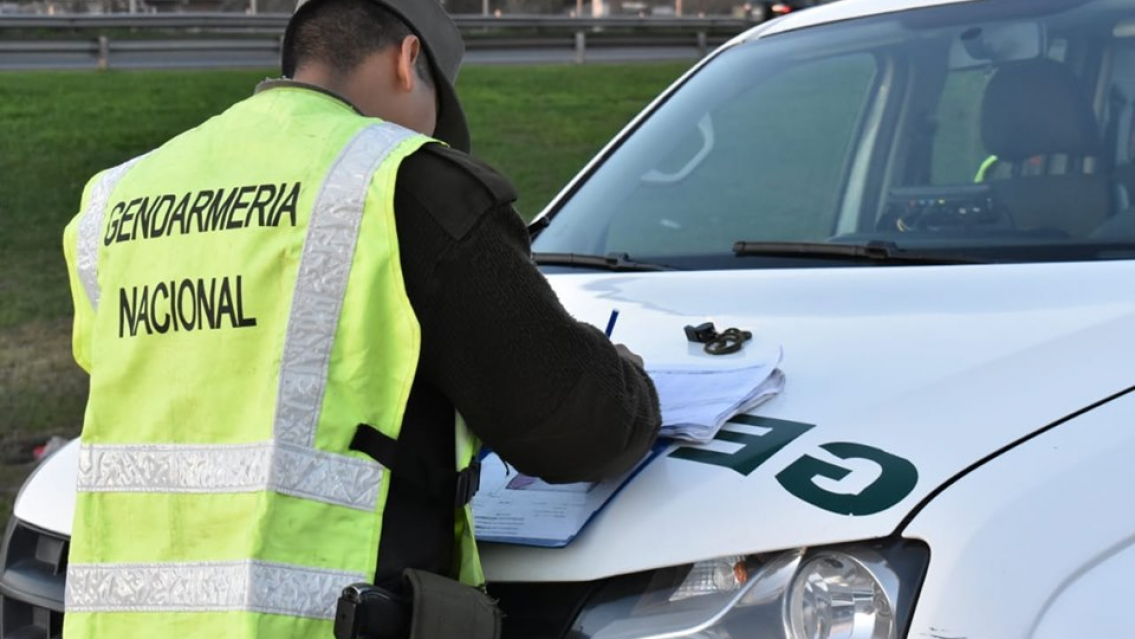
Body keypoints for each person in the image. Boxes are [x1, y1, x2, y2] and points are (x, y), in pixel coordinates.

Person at [59, 0, 661, 637]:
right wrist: (625, 375)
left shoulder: (118, 197)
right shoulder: (401, 181)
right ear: (408, 61)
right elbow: (576, 425)